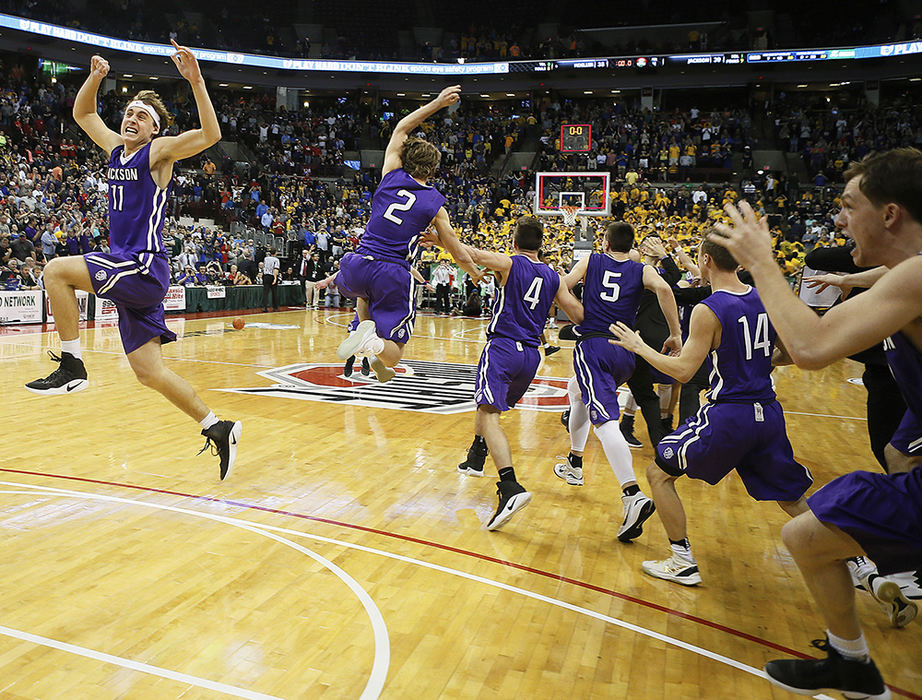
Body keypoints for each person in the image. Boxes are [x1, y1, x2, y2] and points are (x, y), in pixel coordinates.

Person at [708, 148, 922, 699]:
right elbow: (813, 335)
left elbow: (810, 345)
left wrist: (762, 262)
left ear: (890, 214)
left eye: (849, 206)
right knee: (808, 533)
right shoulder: (901, 275)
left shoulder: (917, 277)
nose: (839, 219)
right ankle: (853, 661)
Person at [25, 45, 241, 480]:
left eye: (141, 115)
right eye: (128, 111)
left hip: (142, 265)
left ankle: (72, 365)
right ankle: (217, 426)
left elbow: (210, 135)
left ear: (155, 129)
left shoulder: (158, 154)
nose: (131, 118)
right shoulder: (114, 148)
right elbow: (85, 115)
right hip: (128, 271)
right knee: (149, 372)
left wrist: (197, 81)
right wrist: (95, 77)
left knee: (55, 271)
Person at [609, 236, 812, 587]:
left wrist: (639, 346)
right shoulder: (763, 297)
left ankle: (682, 559)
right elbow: (793, 353)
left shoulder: (710, 308)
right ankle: (856, 564)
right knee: (791, 495)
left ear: (705, 260)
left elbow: (684, 371)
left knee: (658, 475)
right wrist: (761, 365)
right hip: (768, 413)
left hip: (730, 414)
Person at [332, 86, 478, 382]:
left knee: (364, 295)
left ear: (406, 159)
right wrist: (474, 272)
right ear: (434, 170)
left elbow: (402, 127)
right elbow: (457, 251)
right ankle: (371, 344)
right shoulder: (436, 204)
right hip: (392, 272)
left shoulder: (390, 173)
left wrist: (437, 102)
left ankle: (364, 332)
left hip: (356, 264)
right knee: (396, 351)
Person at [450, 216, 584, 530]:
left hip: (503, 348)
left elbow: (469, 253)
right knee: (487, 407)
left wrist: (440, 237)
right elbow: (578, 313)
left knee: (489, 413)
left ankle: (509, 486)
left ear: (514, 242)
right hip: (530, 358)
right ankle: (476, 456)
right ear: (542, 245)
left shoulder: (509, 263)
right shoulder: (553, 277)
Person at [553, 221, 682, 542]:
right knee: (576, 390)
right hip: (625, 351)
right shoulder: (640, 270)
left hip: (594, 345)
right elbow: (667, 289)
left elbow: (563, 286)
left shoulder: (592, 260)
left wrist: (576, 309)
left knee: (605, 420)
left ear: (606, 244)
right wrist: (676, 333)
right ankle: (574, 461)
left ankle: (632, 494)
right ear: (631, 246)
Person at [262, 246, 280, 311]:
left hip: (265, 275)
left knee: (265, 292)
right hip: (272, 276)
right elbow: (276, 269)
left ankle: (264, 307)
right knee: (274, 292)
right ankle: (275, 307)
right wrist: (275, 278)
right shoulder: (276, 260)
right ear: (275, 253)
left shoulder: (266, 258)